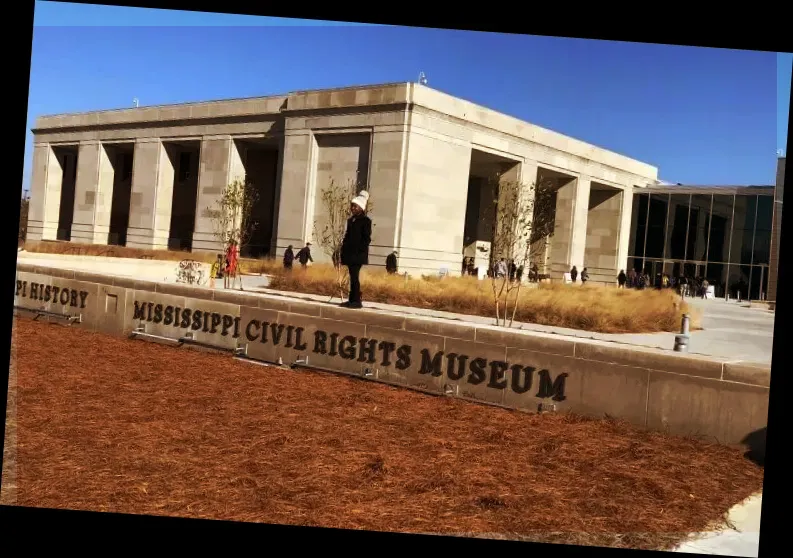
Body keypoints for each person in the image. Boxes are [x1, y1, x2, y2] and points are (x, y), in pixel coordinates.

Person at [340, 190, 372, 308]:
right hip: (350, 254)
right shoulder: (351, 220)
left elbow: (366, 239)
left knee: (355, 277)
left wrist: (359, 250)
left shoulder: (365, 221)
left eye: (355, 206)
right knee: (352, 276)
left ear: (361, 207)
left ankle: (356, 301)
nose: (352, 208)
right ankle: (352, 299)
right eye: (352, 206)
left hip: (357, 255)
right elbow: (347, 237)